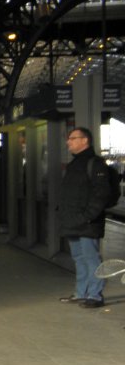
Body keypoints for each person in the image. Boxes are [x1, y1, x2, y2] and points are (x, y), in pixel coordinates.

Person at [57, 126, 112, 308]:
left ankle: (95, 295)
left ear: (84, 140)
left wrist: (88, 216)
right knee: (79, 259)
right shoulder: (75, 164)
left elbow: (101, 193)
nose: (68, 142)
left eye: (73, 138)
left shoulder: (95, 164)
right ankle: (81, 293)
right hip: (74, 221)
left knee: (91, 259)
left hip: (87, 223)